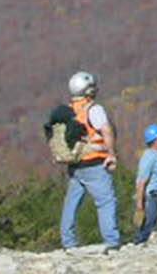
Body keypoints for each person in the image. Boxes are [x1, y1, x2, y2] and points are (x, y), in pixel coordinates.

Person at [59, 70, 121, 252]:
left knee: (71, 204)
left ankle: (68, 242)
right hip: (94, 163)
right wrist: (111, 153)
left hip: (75, 164)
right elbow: (106, 131)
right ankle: (111, 241)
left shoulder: (67, 111)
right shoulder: (94, 109)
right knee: (106, 201)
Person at [134, 124, 157, 245]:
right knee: (147, 225)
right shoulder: (149, 156)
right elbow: (141, 181)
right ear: (155, 139)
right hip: (150, 196)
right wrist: (140, 204)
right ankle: (139, 245)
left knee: (152, 222)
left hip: (156, 195)